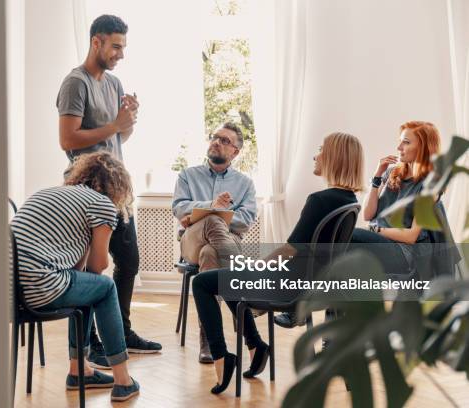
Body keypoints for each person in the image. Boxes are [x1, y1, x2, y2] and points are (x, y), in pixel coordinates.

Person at [192, 132, 364, 393]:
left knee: (202, 282)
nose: (316, 155)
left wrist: (255, 267)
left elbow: (288, 250)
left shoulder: (320, 200)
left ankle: (221, 356)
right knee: (228, 277)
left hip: (286, 286)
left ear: (334, 157)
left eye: (320, 149)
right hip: (312, 286)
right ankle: (256, 345)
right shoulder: (349, 201)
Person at [56, 14, 162, 368]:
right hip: (86, 191)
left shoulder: (115, 84)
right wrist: (113, 124)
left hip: (118, 189)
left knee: (128, 262)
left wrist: (126, 123)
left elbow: (116, 138)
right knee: (90, 270)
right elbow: (68, 140)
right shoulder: (76, 83)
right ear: (96, 41)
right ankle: (93, 344)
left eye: (123, 47)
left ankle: (122, 332)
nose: (120, 53)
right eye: (116, 46)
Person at [10, 152, 140, 402]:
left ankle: (79, 370)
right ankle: (123, 380)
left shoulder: (45, 193)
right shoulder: (101, 204)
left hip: (7, 289)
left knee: (88, 285)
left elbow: (79, 273)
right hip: (38, 285)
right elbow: (99, 265)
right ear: (117, 185)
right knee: (105, 287)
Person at [171, 122, 257, 363]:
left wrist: (213, 216)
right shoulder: (188, 175)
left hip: (226, 242)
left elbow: (245, 222)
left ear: (235, 152)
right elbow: (178, 208)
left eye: (224, 140)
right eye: (215, 137)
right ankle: (248, 300)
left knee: (211, 253)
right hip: (191, 241)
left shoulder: (245, 183)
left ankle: (209, 340)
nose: (216, 142)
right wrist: (213, 208)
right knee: (210, 223)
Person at [350, 121, 441, 276]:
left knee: (348, 235)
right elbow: (367, 215)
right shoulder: (392, 173)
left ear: (423, 148)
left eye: (406, 143)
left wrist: (376, 230)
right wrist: (377, 176)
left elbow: (411, 236)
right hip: (377, 240)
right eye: (399, 142)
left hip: (402, 252)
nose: (399, 148)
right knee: (339, 244)